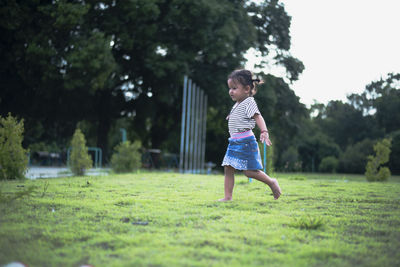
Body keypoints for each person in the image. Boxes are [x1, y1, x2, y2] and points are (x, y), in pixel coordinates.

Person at [219, 69, 282, 201]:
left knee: (249, 172)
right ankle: (228, 197)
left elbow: (258, 117)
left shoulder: (249, 102)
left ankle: (271, 182)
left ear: (247, 89)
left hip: (245, 142)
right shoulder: (237, 104)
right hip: (234, 142)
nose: (231, 91)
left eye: (234, 88)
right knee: (228, 168)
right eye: (230, 88)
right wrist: (232, 116)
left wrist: (264, 131)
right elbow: (241, 116)